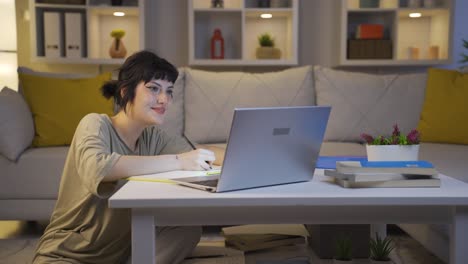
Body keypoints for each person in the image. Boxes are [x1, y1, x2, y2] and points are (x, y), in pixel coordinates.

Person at [33, 50, 216, 264]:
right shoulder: (95, 124)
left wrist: (250, 152)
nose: (164, 99)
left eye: (169, 91)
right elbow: (99, 168)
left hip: (120, 256)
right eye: (154, 89)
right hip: (67, 256)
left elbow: (199, 154)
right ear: (125, 91)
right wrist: (178, 161)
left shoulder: (153, 137)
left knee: (186, 229)